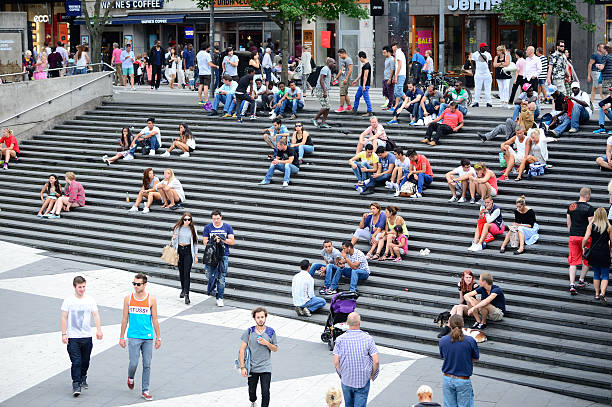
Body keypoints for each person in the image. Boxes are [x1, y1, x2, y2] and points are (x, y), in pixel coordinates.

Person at [119, 273, 161, 401]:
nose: (136, 286)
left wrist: (158, 337)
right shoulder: (128, 299)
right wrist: (121, 337)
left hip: (148, 337)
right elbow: (125, 319)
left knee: (147, 364)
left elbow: (154, 319)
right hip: (133, 336)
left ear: (145, 284)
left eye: (138, 284)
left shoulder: (151, 299)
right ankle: (130, 377)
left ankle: (145, 390)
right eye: (134, 284)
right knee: (133, 363)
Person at [61, 276, 103, 397]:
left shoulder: (90, 300)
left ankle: (83, 376)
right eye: (80, 287)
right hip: (73, 337)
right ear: (75, 287)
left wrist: (99, 330)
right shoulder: (68, 300)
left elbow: (96, 315)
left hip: (86, 336)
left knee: (85, 361)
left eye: (84, 287)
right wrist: (64, 334)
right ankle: (76, 383)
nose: (82, 289)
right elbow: (64, 317)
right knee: (76, 361)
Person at [333, 312, 379, 407]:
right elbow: (376, 361)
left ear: (347, 323)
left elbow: (336, 362)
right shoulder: (368, 339)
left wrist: (342, 374)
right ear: (359, 323)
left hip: (346, 380)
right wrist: (372, 375)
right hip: (362, 380)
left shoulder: (340, 339)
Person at [239, 307, 278, 407]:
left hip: (265, 367)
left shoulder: (270, 332)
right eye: (258, 317)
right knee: (252, 391)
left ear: (265, 318)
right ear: (254, 318)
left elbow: (275, 349)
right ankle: (253, 401)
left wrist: (266, 343)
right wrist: (242, 367)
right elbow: (242, 349)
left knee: (265, 392)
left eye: (262, 317)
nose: (260, 319)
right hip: (252, 367)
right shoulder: (249, 332)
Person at [438, 314, 479, 406]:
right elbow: (476, 358)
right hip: (463, 379)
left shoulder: (443, 340)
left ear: (449, 324)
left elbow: (443, 356)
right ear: (463, 324)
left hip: (447, 378)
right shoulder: (470, 341)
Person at [202, 210, 235, 307]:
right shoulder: (208, 227)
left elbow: (232, 241)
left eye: (217, 218)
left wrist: (221, 239)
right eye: (214, 219)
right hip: (211, 255)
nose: (216, 220)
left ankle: (220, 297)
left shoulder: (227, 227)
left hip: (223, 255)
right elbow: (205, 242)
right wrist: (213, 240)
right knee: (208, 274)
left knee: (222, 278)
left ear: (221, 217)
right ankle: (214, 285)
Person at [567, 187, 595, 295]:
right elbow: (590, 225)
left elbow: (568, 223)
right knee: (586, 259)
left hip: (573, 236)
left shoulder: (572, 206)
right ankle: (581, 280)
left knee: (573, 261)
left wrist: (572, 232)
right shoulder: (590, 208)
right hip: (585, 237)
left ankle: (572, 284)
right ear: (587, 195)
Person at [583, 207, 611, 302]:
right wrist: (610, 250)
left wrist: (583, 246)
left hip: (594, 252)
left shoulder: (591, 226)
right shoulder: (609, 227)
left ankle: (596, 294)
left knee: (596, 274)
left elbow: (586, 238)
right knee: (605, 275)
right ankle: (603, 293)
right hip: (604, 252)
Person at [172, 212, 198, 304]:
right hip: (179, 251)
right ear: (182, 220)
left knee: (187, 273)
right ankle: (183, 289)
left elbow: (195, 243)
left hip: (188, 251)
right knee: (181, 272)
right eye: (185, 219)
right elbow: (173, 243)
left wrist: (195, 255)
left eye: (189, 219)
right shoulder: (177, 228)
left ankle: (187, 294)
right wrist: (174, 238)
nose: (187, 221)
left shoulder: (192, 229)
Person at [446, 270, 479, 334]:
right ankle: (448, 325)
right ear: (463, 278)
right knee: (456, 306)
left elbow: (478, 301)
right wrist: (458, 308)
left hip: (473, 308)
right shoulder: (460, 284)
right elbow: (461, 299)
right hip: (465, 307)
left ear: (472, 278)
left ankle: (458, 327)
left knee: (460, 306)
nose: (468, 279)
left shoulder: (475, 286)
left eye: (470, 277)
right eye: (467, 277)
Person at [313, 58, 335, 129]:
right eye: (333, 63)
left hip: (325, 90)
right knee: (325, 106)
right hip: (321, 90)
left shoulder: (328, 69)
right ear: (329, 62)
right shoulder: (325, 69)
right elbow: (321, 80)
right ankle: (315, 119)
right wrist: (324, 91)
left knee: (328, 107)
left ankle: (323, 123)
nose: (335, 65)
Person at [470, 42, 493, 107]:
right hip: (478, 74)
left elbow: (490, 63)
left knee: (488, 88)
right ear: (481, 47)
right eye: (485, 47)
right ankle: (476, 102)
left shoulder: (488, 54)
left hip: (487, 74)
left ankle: (489, 102)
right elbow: (472, 63)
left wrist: (491, 72)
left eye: (486, 47)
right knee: (477, 88)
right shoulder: (475, 54)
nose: (486, 48)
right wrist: (474, 72)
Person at [351, 51, 373, 116]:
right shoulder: (364, 65)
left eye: (359, 58)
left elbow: (365, 76)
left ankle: (370, 111)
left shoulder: (367, 65)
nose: (359, 60)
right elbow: (361, 74)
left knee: (366, 98)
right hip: (362, 85)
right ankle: (354, 109)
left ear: (361, 57)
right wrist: (356, 80)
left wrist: (363, 85)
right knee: (357, 96)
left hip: (365, 85)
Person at [197, 43, 218, 109]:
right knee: (206, 86)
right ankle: (206, 100)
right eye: (209, 47)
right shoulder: (207, 54)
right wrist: (216, 66)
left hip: (201, 72)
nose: (209, 49)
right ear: (206, 48)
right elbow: (210, 64)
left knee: (201, 85)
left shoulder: (198, 54)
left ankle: (200, 100)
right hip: (206, 72)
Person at [392, 42, 407, 109]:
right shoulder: (398, 53)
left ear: (395, 46)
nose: (392, 48)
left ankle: (408, 101)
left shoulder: (399, 53)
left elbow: (399, 65)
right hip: (399, 74)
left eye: (393, 46)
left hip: (400, 74)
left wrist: (396, 76)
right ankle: (397, 105)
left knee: (399, 91)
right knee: (396, 91)